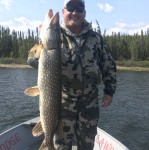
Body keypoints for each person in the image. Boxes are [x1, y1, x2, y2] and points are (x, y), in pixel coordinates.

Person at [27, 0, 117, 149]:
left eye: (79, 8)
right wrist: (41, 43)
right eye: (70, 7)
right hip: (62, 105)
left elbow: (108, 66)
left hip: (90, 105)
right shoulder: (54, 35)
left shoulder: (96, 38)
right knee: (61, 146)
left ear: (84, 13)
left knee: (87, 146)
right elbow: (31, 60)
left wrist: (109, 91)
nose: (75, 12)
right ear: (63, 12)